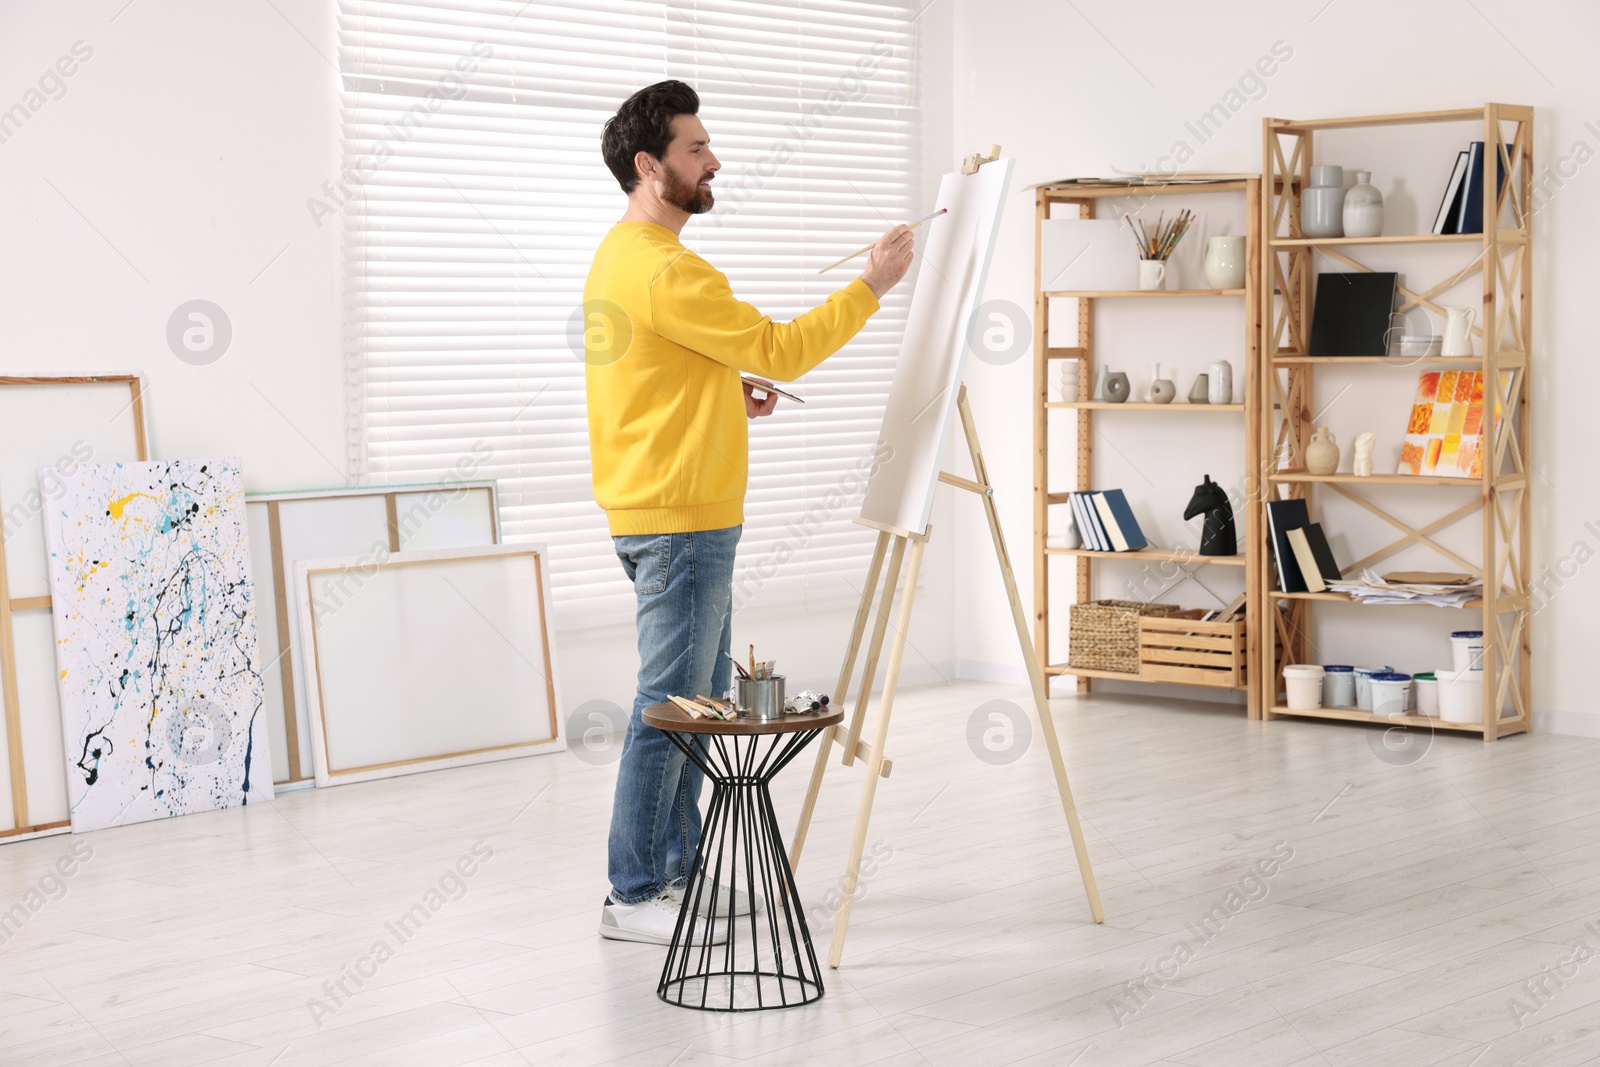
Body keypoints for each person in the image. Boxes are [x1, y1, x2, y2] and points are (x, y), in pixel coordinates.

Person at [584, 79, 914, 945]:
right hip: (681, 518)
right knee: (676, 703)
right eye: (695, 149)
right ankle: (635, 891)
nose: (713, 159)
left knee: (692, 700)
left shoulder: (619, 258)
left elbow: (646, 373)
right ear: (650, 166)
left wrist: (719, 389)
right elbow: (783, 347)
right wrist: (871, 284)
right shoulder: (670, 268)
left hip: (655, 505)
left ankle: (677, 870)